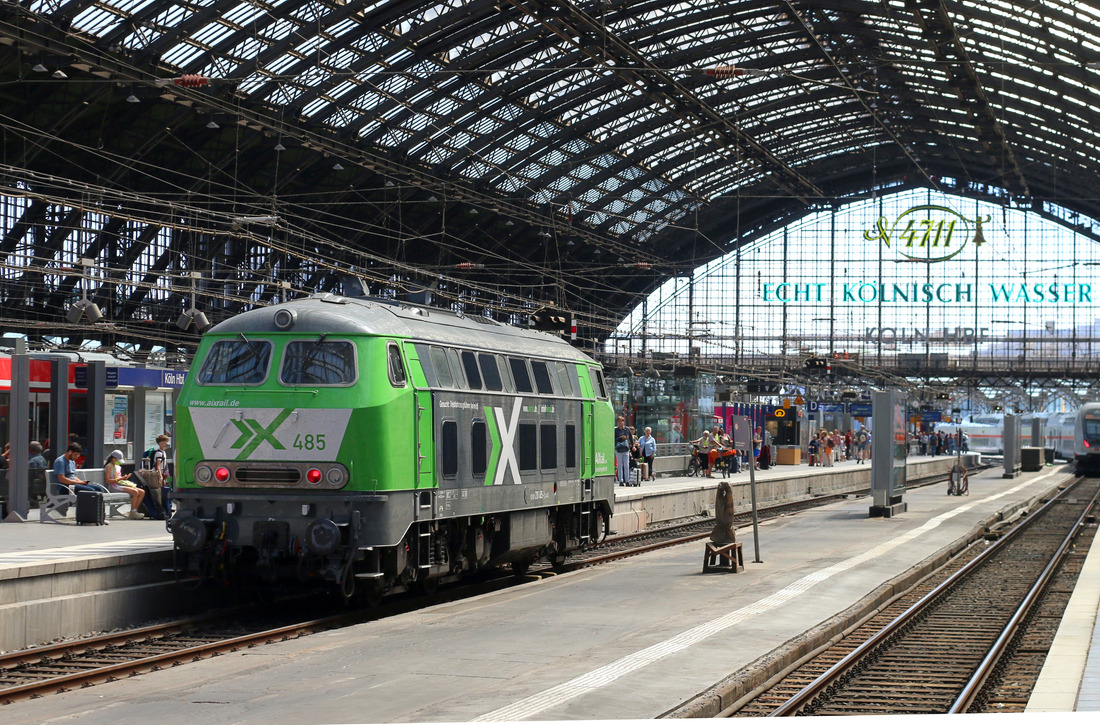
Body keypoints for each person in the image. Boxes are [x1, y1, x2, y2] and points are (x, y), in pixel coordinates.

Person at [105, 449, 145, 519]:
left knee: (142, 492)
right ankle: (133, 512)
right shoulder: (109, 466)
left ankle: (134, 510)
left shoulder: (118, 467)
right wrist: (121, 479)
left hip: (120, 484)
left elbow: (119, 478)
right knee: (135, 492)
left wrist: (124, 478)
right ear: (113, 458)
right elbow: (107, 480)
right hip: (114, 486)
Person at [614, 416, 632, 486]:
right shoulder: (615, 430)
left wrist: (632, 446)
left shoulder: (627, 429)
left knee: (626, 465)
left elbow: (630, 437)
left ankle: (627, 481)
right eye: (618, 421)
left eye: (621, 421)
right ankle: (620, 480)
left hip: (626, 449)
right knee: (620, 465)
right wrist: (620, 438)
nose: (620, 423)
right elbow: (614, 439)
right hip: (618, 449)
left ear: (623, 422)